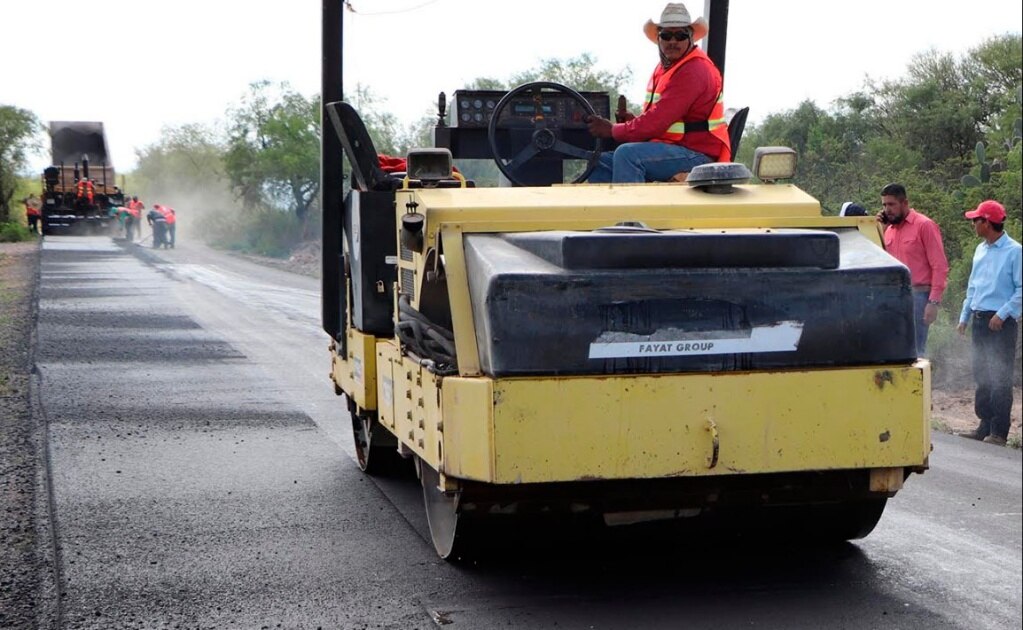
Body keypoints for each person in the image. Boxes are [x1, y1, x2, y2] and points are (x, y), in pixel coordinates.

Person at [584, 2, 730, 183]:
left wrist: (612, 130)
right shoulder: (668, 68)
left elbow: (657, 121)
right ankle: (604, 211)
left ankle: (631, 211)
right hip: (676, 147)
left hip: (698, 155)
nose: (673, 41)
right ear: (659, 39)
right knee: (600, 161)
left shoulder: (693, 70)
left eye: (680, 35)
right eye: (666, 35)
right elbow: (662, 119)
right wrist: (632, 122)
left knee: (628, 155)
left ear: (691, 38)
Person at [956, 200, 1022, 446]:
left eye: (976, 220)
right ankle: (984, 424)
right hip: (980, 318)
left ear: (987, 222)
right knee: (981, 372)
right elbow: (974, 286)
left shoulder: (1015, 251)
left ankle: (999, 430)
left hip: (1000, 323)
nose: (973, 224)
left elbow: (1021, 289)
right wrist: (964, 316)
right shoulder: (980, 249)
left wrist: (1003, 313)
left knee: (1000, 375)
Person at [878, 183, 949, 356]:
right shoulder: (889, 230)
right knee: (894, 350)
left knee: (915, 351)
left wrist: (933, 302)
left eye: (892, 204)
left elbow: (939, 265)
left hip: (918, 296)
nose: (888, 209)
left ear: (905, 203)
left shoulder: (924, 225)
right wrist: (878, 227)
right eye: (884, 205)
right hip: (893, 297)